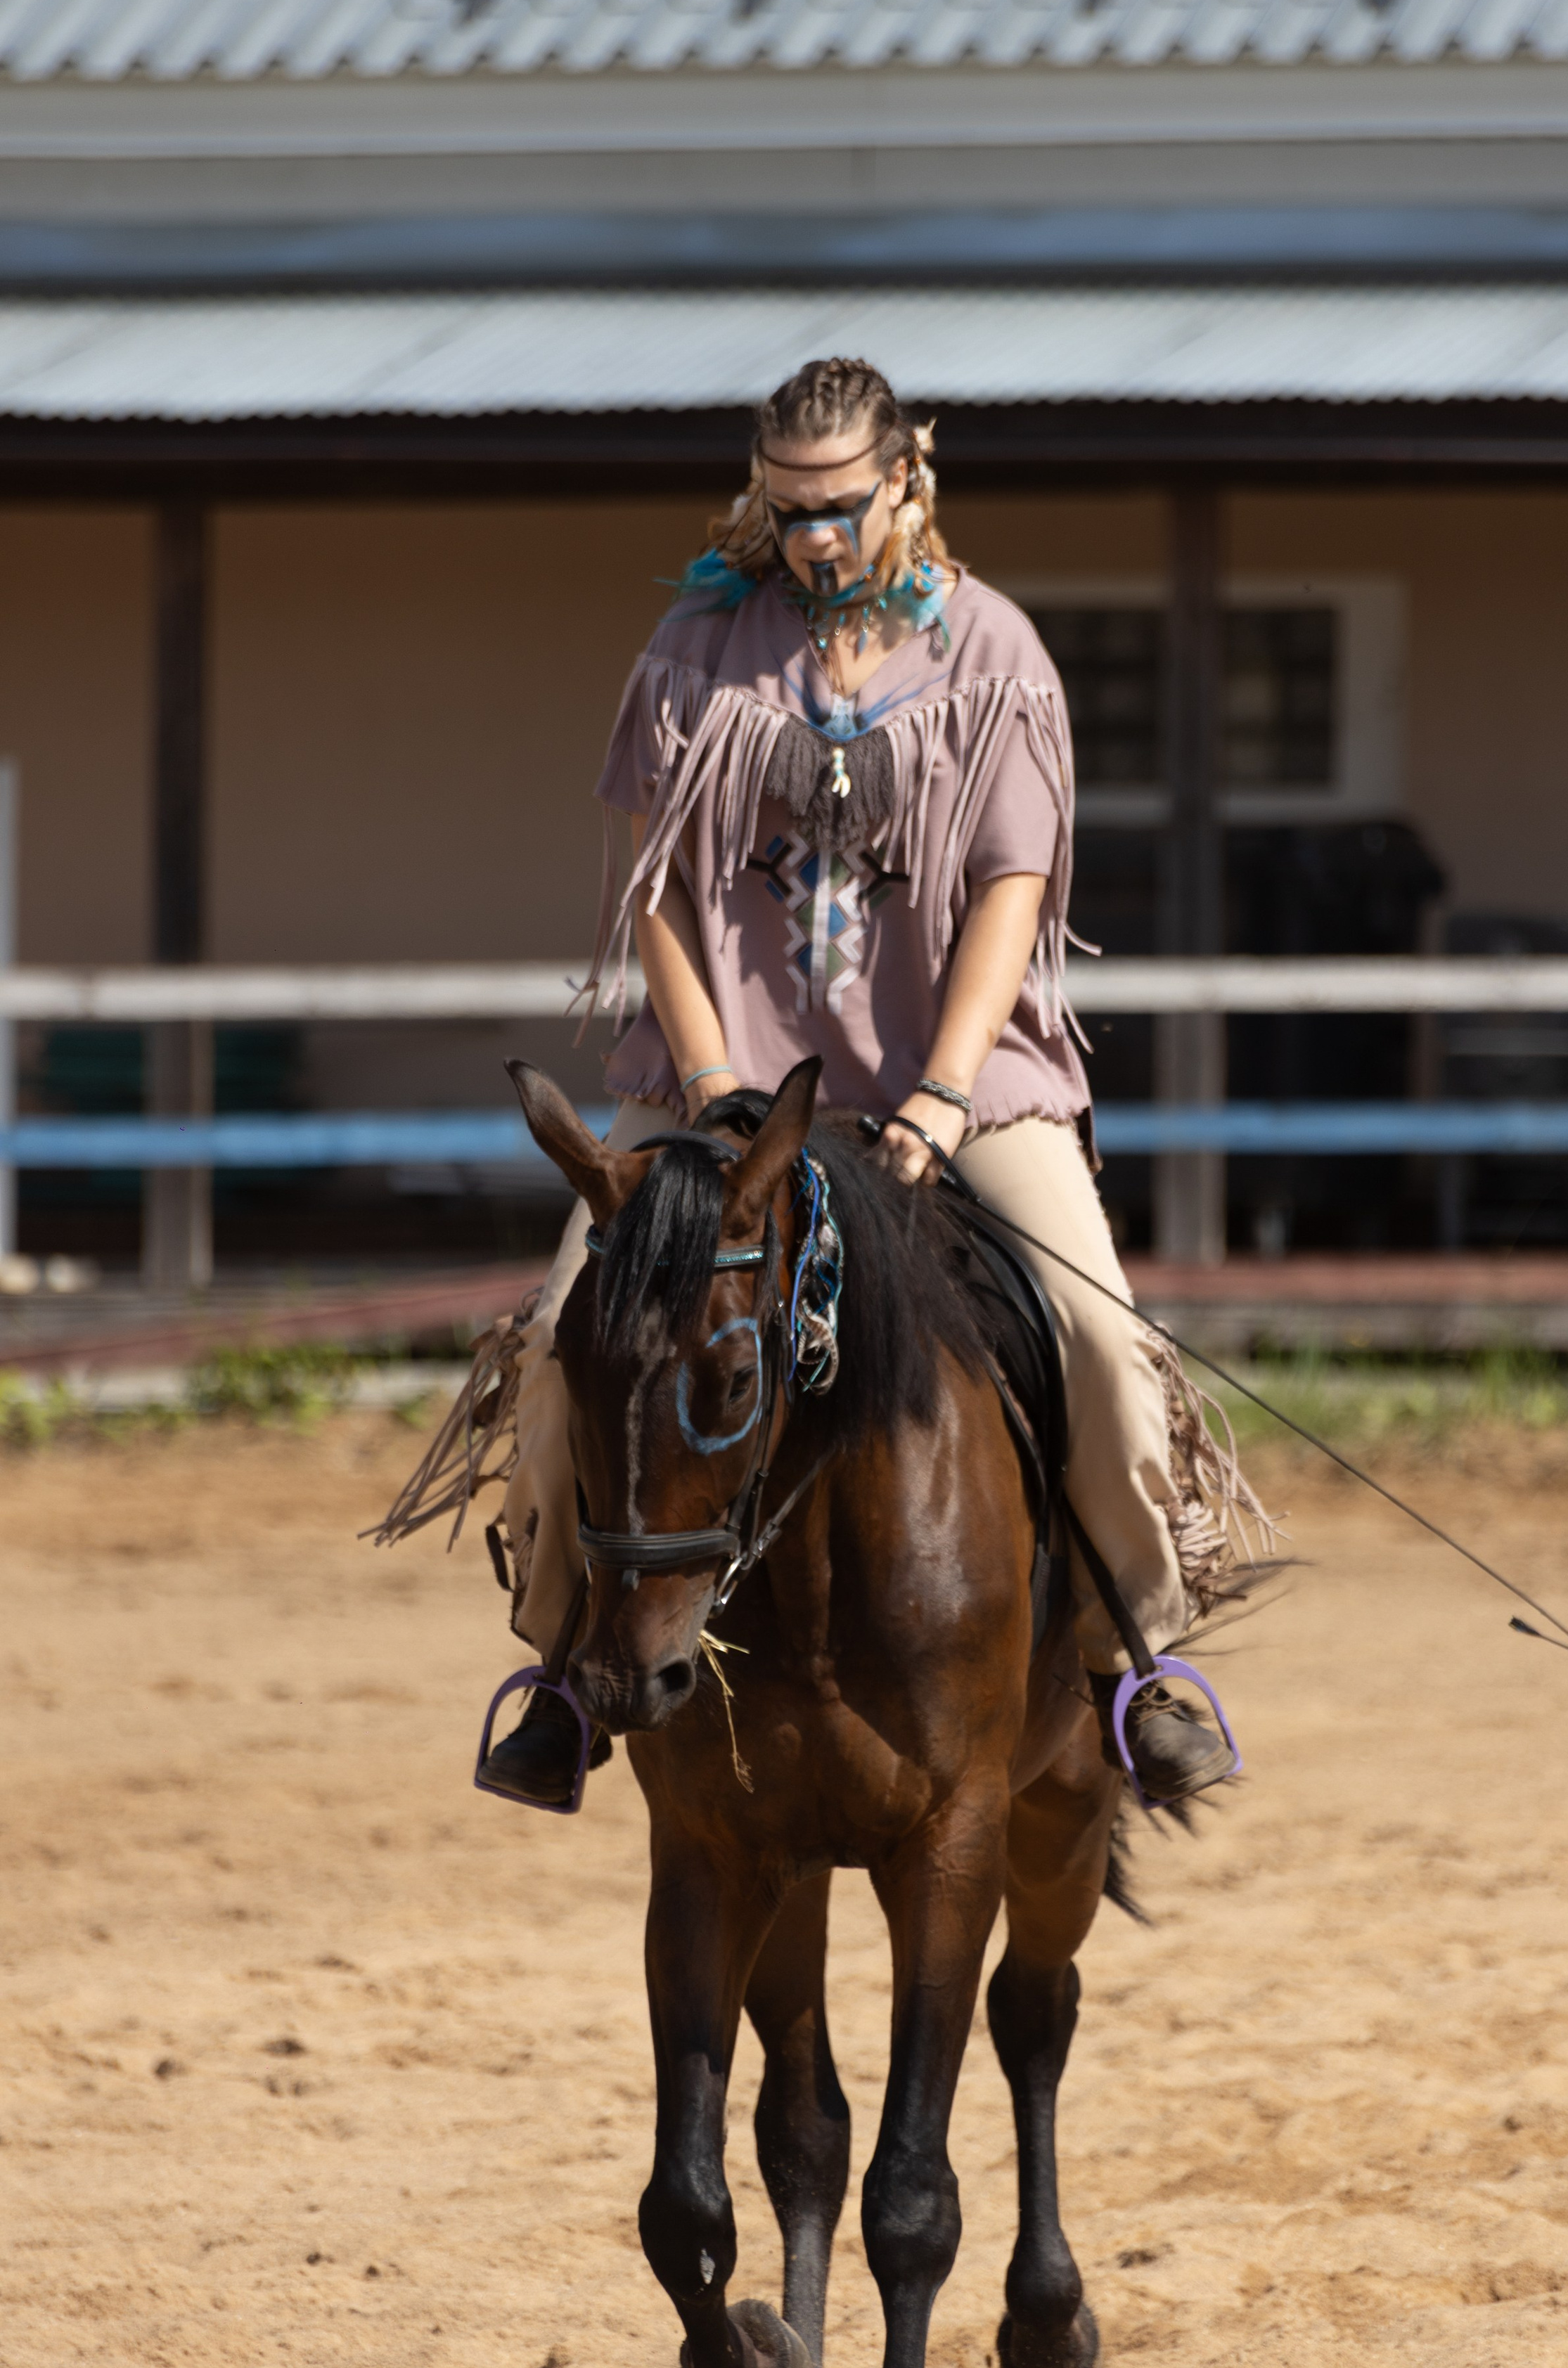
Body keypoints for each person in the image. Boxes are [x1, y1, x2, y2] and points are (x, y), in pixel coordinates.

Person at [385, 356, 1268, 1809]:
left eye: (842, 508)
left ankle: (1136, 1658)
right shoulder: (694, 647)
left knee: (1102, 1348)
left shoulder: (992, 654)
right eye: (788, 511)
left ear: (907, 479)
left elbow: (1011, 887)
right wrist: (718, 1079)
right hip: (712, 1086)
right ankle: (557, 1668)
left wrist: (938, 1090)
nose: (815, 539)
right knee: (559, 1345)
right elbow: (656, 895)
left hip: (957, 1091)